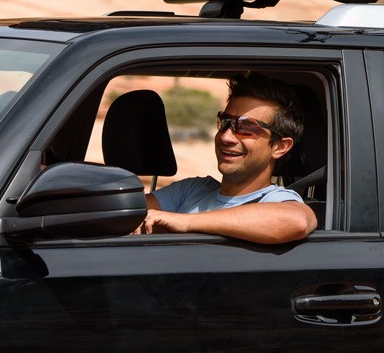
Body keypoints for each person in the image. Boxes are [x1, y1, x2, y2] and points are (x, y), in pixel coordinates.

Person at [134, 73, 317, 244]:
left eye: (247, 128)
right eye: (225, 123)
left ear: (280, 147)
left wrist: (186, 222)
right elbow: (126, 212)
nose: (226, 137)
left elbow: (298, 221)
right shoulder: (192, 190)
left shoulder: (276, 200)